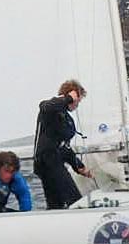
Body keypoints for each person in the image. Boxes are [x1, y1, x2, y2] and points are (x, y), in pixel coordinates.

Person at [33, 79, 93, 209]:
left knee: (56, 204)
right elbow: (45, 106)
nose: (77, 105)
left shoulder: (66, 118)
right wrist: (67, 99)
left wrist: (78, 166)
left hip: (55, 160)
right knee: (74, 199)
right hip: (47, 161)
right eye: (78, 100)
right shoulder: (49, 109)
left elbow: (64, 147)